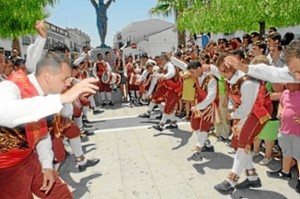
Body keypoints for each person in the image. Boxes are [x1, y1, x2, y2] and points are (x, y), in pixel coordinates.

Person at [0, 50, 99, 198]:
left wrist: (46, 166)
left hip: (30, 160)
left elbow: (41, 133)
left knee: (62, 195)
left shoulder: (44, 96)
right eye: (65, 78)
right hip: (7, 171)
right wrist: (62, 98)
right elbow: (4, 112)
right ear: (48, 77)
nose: (68, 83)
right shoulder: (11, 86)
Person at [214, 53, 273, 195]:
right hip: (245, 111)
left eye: (224, 70)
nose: (221, 74)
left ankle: (231, 181)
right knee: (236, 142)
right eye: (220, 70)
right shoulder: (232, 77)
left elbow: (247, 108)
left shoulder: (247, 81)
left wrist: (233, 115)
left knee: (243, 141)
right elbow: (236, 99)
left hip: (259, 112)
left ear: (231, 68)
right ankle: (252, 177)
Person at [267, 83, 300, 194]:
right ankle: (285, 172)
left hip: (297, 132)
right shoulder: (285, 93)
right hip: (284, 130)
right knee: (286, 152)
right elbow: (281, 103)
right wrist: (280, 111)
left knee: (299, 156)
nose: (286, 84)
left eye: (290, 82)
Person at [224, 39, 300, 82]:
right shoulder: (293, 75)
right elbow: (272, 73)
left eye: (299, 71)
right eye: (294, 72)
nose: (297, 77)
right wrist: (241, 66)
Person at [186, 61, 218, 161]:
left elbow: (210, 98)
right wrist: (171, 58)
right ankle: (207, 143)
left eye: (192, 72)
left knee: (204, 127)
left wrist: (197, 107)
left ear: (199, 69)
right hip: (199, 105)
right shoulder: (195, 76)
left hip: (209, 106)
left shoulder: (211, 80)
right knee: (194, 126)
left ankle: (197, 151)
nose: (191, 74)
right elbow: (182, 65)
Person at [153, 55, 182, 131]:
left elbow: (171, 73)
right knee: (169, 107)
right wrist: (158, 75)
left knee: (168, 107)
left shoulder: (169, 66)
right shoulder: (167, 66)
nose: (159, 62)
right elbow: (167, 75)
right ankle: (173, 123)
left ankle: (161, 124)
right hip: (171, 90)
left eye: (160, 60)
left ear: (163, 60)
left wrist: (164, 77)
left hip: (174, 90)